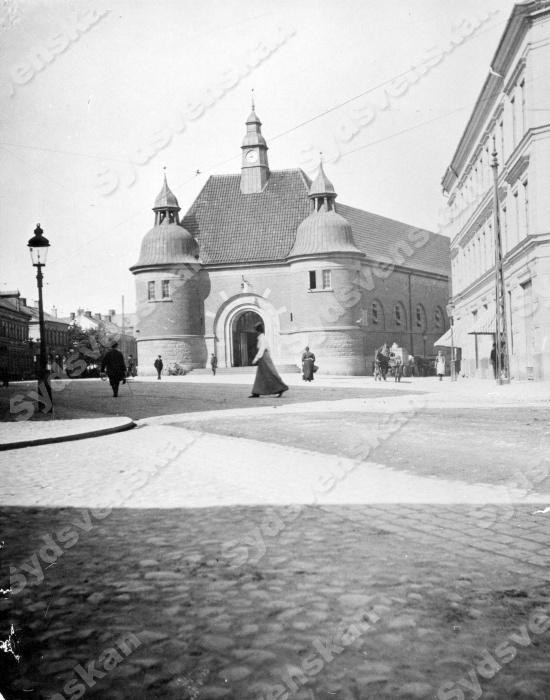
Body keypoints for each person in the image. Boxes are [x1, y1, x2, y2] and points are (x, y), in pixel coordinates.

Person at [249, 322, 288, 398]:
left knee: (269, 373)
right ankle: (256, 392)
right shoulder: (261, 338)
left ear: (258, 331)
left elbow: (262, 349)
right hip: (264, 357)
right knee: (261, 374)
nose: (255, 332)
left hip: (264, 357)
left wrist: (255, 359)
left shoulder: (262, 338)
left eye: (256, 330)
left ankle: (281, 388)